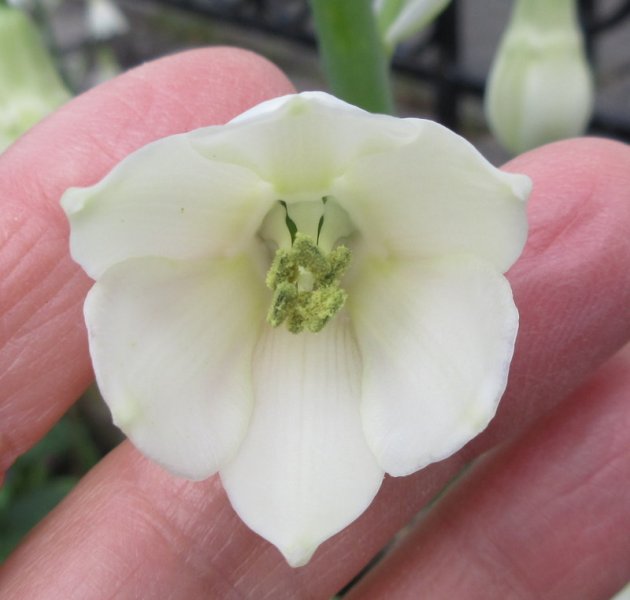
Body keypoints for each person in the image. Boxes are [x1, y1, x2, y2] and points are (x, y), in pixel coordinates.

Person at [0, 47, 628, 599]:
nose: (303, 275)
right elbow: (115, 233)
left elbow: (486, 208)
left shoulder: (422, 191)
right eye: (300, 265)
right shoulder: (167, 219)